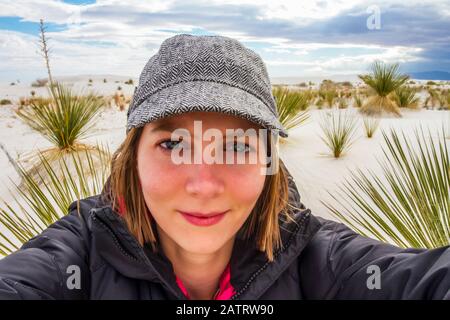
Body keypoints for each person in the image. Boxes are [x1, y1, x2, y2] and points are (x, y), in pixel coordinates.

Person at [0, 34, 449, 300]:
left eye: (237, 146)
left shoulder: (321, 258)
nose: (203, 183)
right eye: (173, 143)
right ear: (132, 155)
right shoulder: (80, 249)